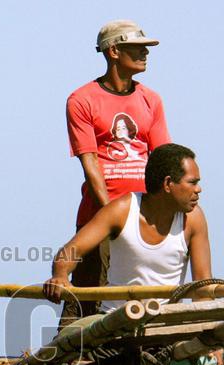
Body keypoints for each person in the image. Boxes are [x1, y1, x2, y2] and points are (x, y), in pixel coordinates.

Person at [65, 19, 171, 317]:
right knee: (87, 304)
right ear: (113, 51)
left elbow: (163, 159)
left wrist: (162, 214)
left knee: (146, 296)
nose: (145, 53)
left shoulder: (151, 99)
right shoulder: (82, 100)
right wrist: (112, 217)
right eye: (137, 48)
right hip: (99, 218)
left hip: (145, 217)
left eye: (145, 48)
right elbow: (90, 163)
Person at [43, 143, 211, 312]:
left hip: (167, 322)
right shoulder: (121, 211)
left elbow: (203, 286)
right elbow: (71, 251)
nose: (199, 189)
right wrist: (60, 275)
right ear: (168, 183)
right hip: (116, 320)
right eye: (192, 182)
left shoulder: (194, 219)